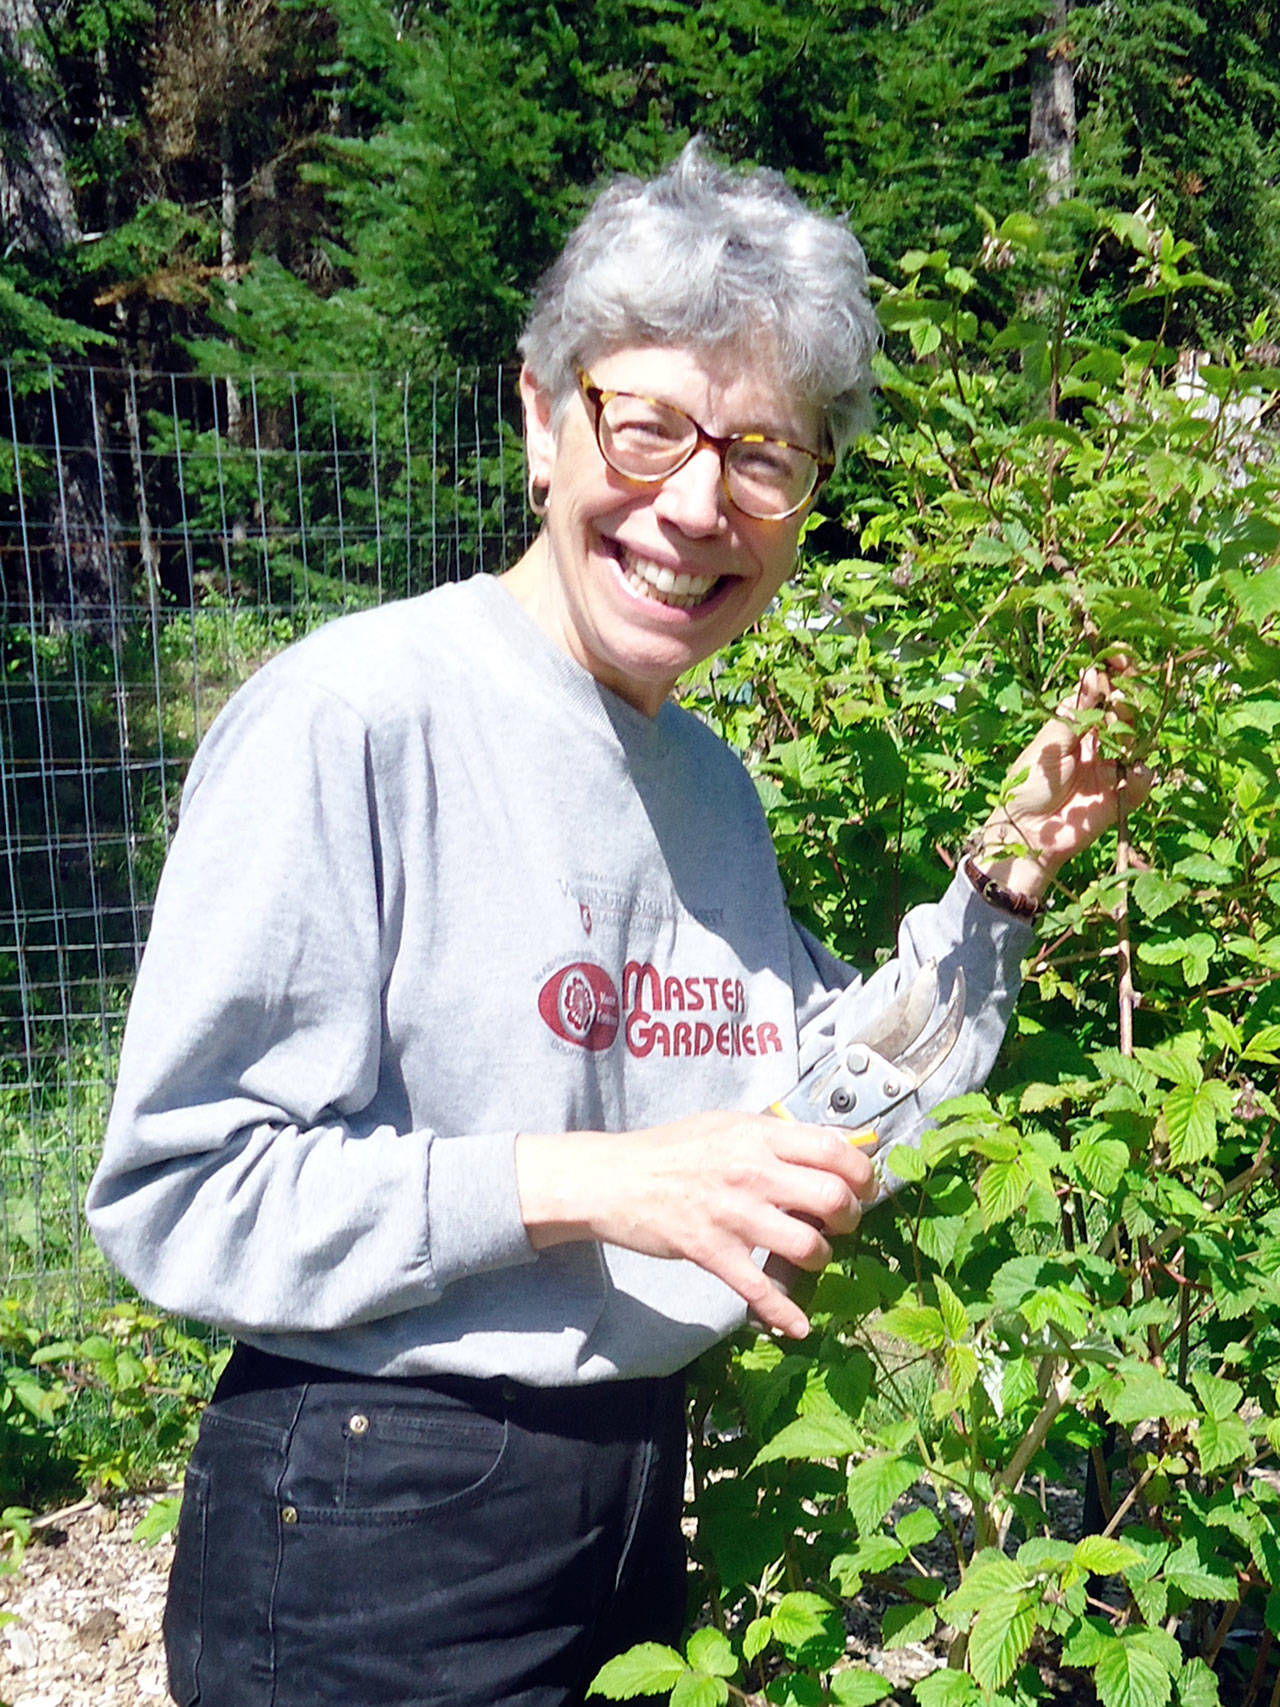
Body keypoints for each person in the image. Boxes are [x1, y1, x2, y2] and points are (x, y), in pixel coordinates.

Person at [86, 143, 1145, 1707]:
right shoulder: (355, 716)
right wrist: (593, 1182)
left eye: (765, 455)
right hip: (374, 1515)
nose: (696, 505)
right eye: (646, 427)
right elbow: (184, 1193)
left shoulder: (706, 785)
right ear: (540, 417)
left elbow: (812, 1125)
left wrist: (1007, 875)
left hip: (634, 1495)